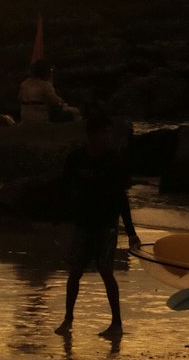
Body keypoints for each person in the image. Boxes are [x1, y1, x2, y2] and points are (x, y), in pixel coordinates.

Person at [54, 112, 141, 339]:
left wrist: (131, 232)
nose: (108, 136)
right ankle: (68, 320)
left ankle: (116, 324)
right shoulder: (76, 159)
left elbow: (121, 198)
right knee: (74, 272)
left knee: (106, 272)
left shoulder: (113, 161)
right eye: (104, 132)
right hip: (81, 223)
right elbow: (65, 190)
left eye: (109, 132)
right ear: (91, 134)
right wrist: (60, 221)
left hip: (106, 225)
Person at [18, 59, 78, 125]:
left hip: (25, 116)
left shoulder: (25, 83)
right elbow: (54, 100)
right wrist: (62, 101)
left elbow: (20, 98)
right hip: (40, 117)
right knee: (74, 112)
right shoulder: (45, 84)